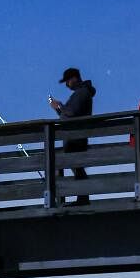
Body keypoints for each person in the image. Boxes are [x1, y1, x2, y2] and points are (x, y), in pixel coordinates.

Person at [49, 67, 96, 202]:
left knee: (77, 167)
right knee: (77, 167)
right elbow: (70, 114)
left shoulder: (81, 93)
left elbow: (70, 114)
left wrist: (58, 107)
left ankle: (82, 198)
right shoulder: (83, 92)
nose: (66, 85)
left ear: (74, 79)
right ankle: (82, 197)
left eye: (67, 81)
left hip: (76, 138)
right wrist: (60, 109)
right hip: (77, 137)